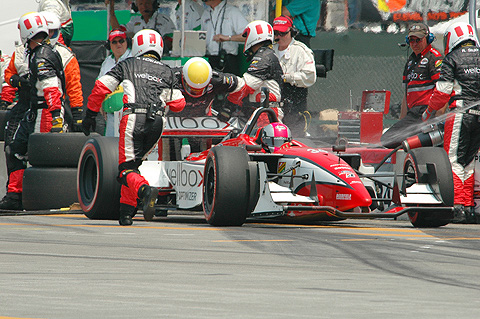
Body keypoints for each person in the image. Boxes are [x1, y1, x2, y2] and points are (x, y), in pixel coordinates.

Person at [82, 29, 186, 226]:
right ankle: (126, 213)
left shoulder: (127, 64)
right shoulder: (167, 71)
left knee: (124, 170)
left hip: (133, 120)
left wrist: (90, 114)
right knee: (133, 167)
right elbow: (179, 104)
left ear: (137, 45)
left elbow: (100, 87)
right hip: (157, 124)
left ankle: (146, 191)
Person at [0, 12, 65, 210]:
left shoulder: (41, 55)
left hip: (44, 112)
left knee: (33, 154)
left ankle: (29, 196)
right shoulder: (37, 52)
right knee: (14, 149)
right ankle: (15, 195)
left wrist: (56, 118)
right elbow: (11, 74)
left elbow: (51, 87)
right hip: (34, 111)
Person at [422, 22, 480, 224]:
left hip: (460, 113)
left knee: (454, 161)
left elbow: (442, 92)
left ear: (452, 38)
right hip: (479, 114)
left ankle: (456, 208)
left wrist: (429, 111)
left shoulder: (452, 58)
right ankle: (469, 207)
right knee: (469, 162)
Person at [380, 23, 443, 149]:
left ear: (428, 39)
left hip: (426, 113)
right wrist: (402, 121)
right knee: (388, 139)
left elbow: (442, 89)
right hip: (413, 115)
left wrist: (437, 119)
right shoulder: (410, 61)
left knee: (391, 140)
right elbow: (406, 93)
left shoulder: (434, 57)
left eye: (418, 40)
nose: (414, 43)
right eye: (411, 40)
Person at [227, 20, 284, 125]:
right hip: (261, 111)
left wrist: (225, 83)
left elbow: (246, 87)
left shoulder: (263, 57)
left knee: (259, 141)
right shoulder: (267, 54)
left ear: (254, 36)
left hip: (265, 115)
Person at [272, 15, 316, 137]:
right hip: (273, 104)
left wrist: (287, 77)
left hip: (294, 104)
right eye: (276, 33)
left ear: (292, 32)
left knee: (295, 137)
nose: (278, 37)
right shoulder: (269, 50)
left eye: (282, 33)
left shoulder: (301, 51)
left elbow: (310, 77)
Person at [41, 11, 83, 132]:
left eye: (52, 31)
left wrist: (77, 114)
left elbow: (74, 86)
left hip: (54, 110)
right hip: (29, 106)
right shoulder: (26, 50)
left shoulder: (65, 54)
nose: (49, 35)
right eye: (46, 31)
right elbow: (11, 72)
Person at [107, 0, 176, 53]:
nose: (144, 7)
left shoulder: (164, 20)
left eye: (147, 3)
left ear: (154, 4)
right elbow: (118, 32)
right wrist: (111, 11)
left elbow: (171, 41)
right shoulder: (134, 21)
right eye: (141, 4)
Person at [98, 29, 132, 136]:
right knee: (110, 147)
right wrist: (100, 103)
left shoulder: (133, 59)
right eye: (114, 42)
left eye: (121, 41)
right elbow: (99, 84)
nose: (118, 44)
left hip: (129, 114)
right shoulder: (107, 62)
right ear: (109, 45)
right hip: (111, 114)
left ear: (127, 42)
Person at [200, 0, 248, 75]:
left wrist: (228, 38)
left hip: (227, 60)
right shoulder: (205, 13)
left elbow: (247, 35)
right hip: (209, 59)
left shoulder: (232, 12)